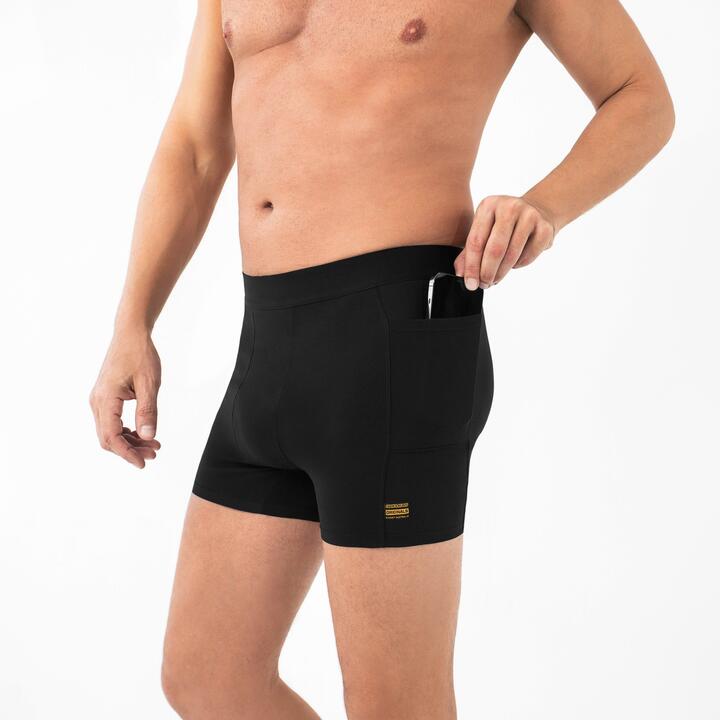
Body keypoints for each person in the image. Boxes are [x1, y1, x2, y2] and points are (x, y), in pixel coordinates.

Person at [90, 1, 673, 718]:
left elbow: (640, 94)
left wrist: (545, 206)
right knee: (207, 675)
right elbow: (195, 143)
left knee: (398, 707)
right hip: (267, 343)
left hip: (397, 342)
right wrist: (133, 319)